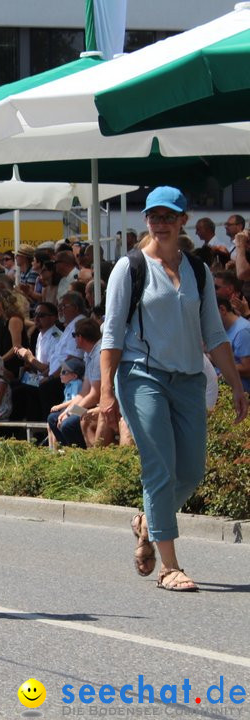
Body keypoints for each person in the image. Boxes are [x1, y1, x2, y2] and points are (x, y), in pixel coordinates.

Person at [100, 187, 248, 592]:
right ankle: (169, 567)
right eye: (153, 216)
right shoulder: (129, 268)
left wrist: (235, 385)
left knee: (192, 470)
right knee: (160, 468)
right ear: (146, 220)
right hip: (141, 376)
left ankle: (148, 521)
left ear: (183, 219)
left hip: (188, 380)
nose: (160, 223)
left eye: (168, 216)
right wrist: (106, 395)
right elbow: (111, 335)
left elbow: (214, 333)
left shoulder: (198, 270)